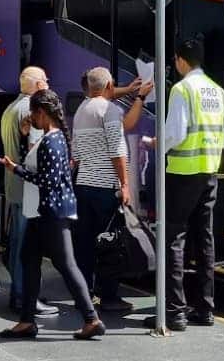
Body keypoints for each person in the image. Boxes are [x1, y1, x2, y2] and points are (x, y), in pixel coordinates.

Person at [0, 89, 106, 340]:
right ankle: (26, 320)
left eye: (33, 114)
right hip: (48, 212)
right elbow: (40, 168)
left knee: (67, 265)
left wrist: (17, 171)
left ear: (42, 113)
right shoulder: (52, 138)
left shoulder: (52, 141)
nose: (31, 119)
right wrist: (22, 153)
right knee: (28, 259)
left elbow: (47, 179)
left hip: (52, 213)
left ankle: (91, 318)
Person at [143, 38, 224, 332]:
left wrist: (157, 143)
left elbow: (175, 133)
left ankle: (174, 312)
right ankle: (205, 309)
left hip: (182, 173)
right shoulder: (217, 92)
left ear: (180, 60)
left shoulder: (181, 90)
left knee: (174, 239)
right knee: (205, 240)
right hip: (210, 172)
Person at [71, 67, 132, 312]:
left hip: (83, 184)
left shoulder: (80, 110)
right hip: (105, 186)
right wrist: (125, 184)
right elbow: (117, 149)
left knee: (84, 244)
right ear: (109, 86)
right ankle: (109, 296)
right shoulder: (110, 110)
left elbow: (75, 153)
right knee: (110, 243)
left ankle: (84, 294)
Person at [0, 66, 58, 316]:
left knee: (17, 243)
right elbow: (36, 148)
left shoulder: (11, 108)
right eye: (45, 80)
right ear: (36, 85)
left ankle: (19, 293)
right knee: (26, 246)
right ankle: (25, 297)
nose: (48, 83)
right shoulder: (32, 110)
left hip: (14, 185)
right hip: (28, 187)